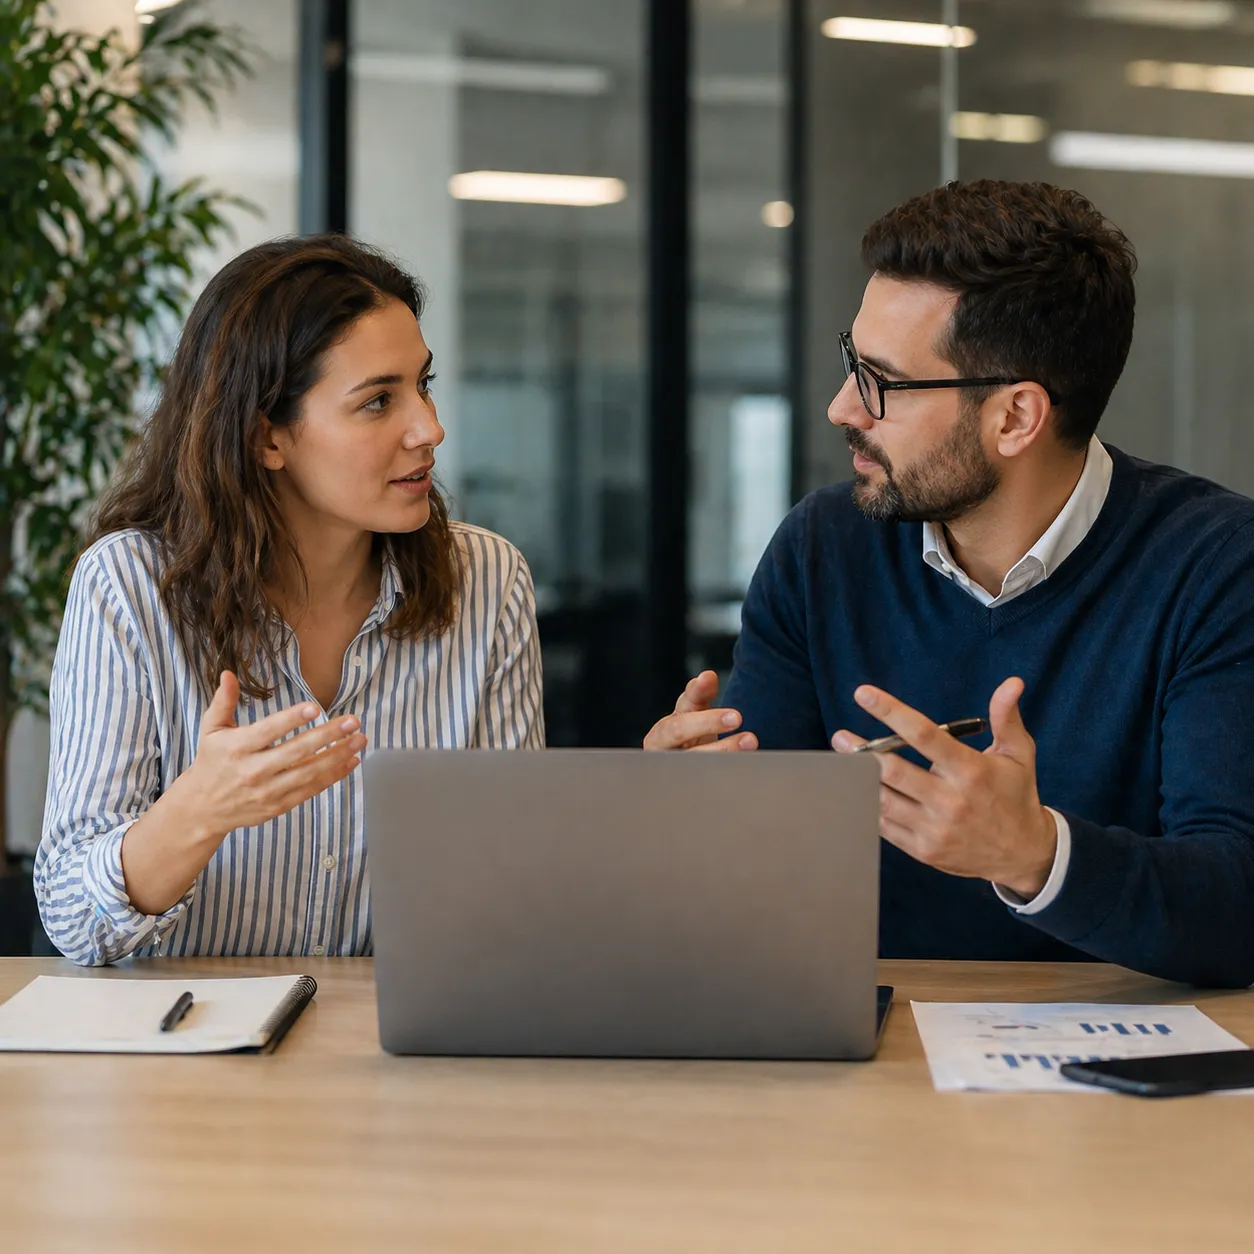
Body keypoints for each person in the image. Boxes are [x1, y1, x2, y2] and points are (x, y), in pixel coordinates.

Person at [646, 179, 1254, 988]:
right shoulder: (824, 546)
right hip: (868, 1034)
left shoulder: (1216, 565)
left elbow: (1237, 900)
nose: (841, 409)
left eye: (881, 384)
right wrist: (681, 805)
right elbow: (763, 844)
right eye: (849, 365)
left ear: (1015, 418)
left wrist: (1036, 855)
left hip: (1125, 1056)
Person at [36, 235, 544, 966]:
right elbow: (74, 919)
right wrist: (198, 812)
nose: (429, 428)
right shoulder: (128, 587)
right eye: (378, 401)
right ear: (267, 436)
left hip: (393, 1053)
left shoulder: (487, 582)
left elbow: (517, 892)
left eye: (423, 385)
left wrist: (607, 819)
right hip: (181, 1057)